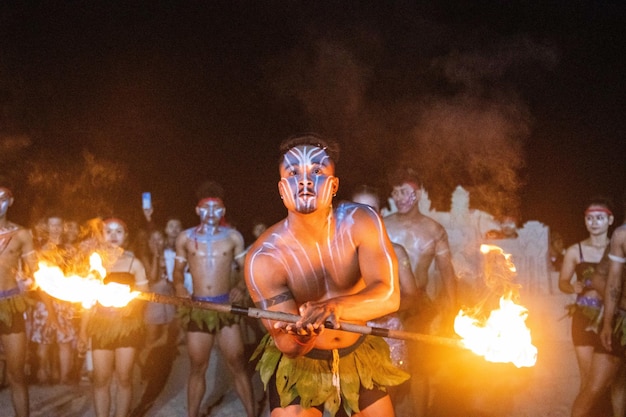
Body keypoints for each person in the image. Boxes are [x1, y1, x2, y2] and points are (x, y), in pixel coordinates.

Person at [245, 134, 409, 417]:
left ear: (333, 185)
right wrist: (302, 335)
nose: (305, 181)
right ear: (282, 189)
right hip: (301, 365)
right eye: (294, 173)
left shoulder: (362, 221)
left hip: (357, 356)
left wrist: (333, 307)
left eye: (317, 172)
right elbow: (287, 345)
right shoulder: (264, 258)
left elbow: (389, 295)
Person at [173, 181, 256, 417]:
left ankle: (251, 413)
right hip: (198, 306)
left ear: (224, 211)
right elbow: (178, 271)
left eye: (217, 208)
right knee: (198, 365)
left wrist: (241, 286)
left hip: (225, 306)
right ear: (197, 210)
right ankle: (192, 414)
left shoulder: (232, 237)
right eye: (206, 208)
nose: (211, 213)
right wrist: (179, 287)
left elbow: (245, 269)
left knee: (237, 362)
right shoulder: (185, 238)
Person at [383, 166, 457, 417]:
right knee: (386, 366)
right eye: (395, 192)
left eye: (405, 191)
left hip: (419, 307)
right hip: (386, 304)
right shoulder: (382, 226)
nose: (399, 197)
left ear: (418, 193)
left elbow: (447, 271)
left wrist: (453, 309)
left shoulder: (434, 230)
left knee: (420, 368)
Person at [351, 184, 420, 414]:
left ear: (379, 213)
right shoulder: (341, 254)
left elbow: (412, 296)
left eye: (370, 208)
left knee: (385, 403)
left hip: (388, 336)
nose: (364, 214)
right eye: (358, 208)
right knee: (351, 403)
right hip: (351, 336)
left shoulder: (396, 252)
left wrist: (385, 307)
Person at [78, 218, 149, 417]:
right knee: (101, 378)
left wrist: (131, 307)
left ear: (125, 236)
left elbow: (144, 296)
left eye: (119, 231)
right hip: (101, 325)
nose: (114, 236)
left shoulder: (134, 263)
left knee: (124, 377)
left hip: (127, 325)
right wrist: (83, 332)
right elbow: (88, 300)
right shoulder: (94, 263)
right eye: (109, 231)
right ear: (101, 235)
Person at [557, 198, 622, 417]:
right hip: (585, 317)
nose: (594, 222)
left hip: (613, 319)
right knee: (589, 381)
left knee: (616, 382)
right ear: (585, 221)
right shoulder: (575, 251)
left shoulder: (618, 247)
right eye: (589, 218)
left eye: (599, 218)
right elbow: (563, 282)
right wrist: (571, 287)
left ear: (610, 220)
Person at [0, 184, 38, 417]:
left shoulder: (22, 234)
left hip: (11, 303)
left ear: (10, 202)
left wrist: (30, 281)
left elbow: (36, 273)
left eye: (2, 198)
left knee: (16, 373)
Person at [30, 214, 77, 385]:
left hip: (64, 303)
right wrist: (50, 311)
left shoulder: (70, 250)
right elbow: (40, 284)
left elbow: (75, 276)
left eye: (59, 225)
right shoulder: (39, 252)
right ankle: (43, 373)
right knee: (44, 340)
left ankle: (64, 379)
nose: (56, 228)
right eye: (52, 225)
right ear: (47, 227)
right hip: (44, 303)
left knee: (65, 341)